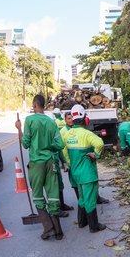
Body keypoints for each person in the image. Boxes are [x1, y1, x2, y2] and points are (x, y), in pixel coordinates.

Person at [16, 94, 65, 240]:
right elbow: (60, 145)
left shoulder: (30, 120)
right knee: (53, 196)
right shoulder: (51, 122)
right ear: (44, 105)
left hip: (36, 163)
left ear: (34, 104)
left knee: (38, 196)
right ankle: (58, 231)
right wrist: (48, 146)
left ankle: (48, 227)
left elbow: (25, 144)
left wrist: (19, 128)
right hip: (50, 162)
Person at [62, 104, 106, 233]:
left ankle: (82, 222)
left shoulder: (67, 134)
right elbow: (100, 143)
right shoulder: (86, 134)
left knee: (81, 198)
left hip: (76, 173)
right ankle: (94, 226)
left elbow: (64, 152)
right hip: (87, 173)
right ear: (85, 119)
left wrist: (70, 163)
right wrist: (95, 154)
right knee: (90, 199)